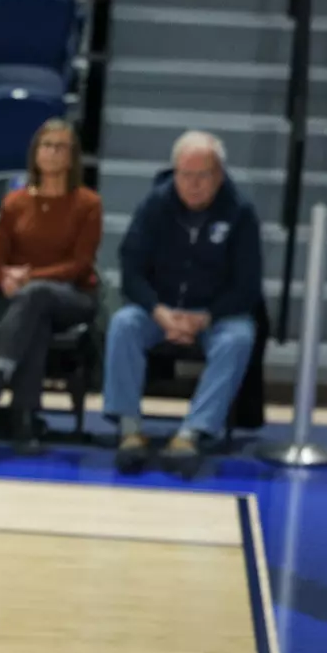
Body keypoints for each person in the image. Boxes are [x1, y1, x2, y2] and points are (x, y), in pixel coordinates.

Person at [106, 129, 262, 474]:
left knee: (238, 339)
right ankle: (129, 430)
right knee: (123, 324)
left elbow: (247, 285)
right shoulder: (154, 204)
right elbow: (131, 270)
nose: (193, 184)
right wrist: (159, 311)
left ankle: (193, 433)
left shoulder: (241, 212)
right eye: (185, 175)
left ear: (219, 174)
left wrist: (205, 317)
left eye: (202, 176)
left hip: (215, 314)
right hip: (159, 309)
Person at [0, 119, 103, 453]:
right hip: (24, 300)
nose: (52, 153)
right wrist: (5, 279)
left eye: (60, 146)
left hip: (75, 296)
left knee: (35, 296)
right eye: (46, 145)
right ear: (35, 153)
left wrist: (29, 279)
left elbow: (80, 264)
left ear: (72, 157)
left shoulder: (88, 203)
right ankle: (24, 420)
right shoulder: (15, 202)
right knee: (35, 318)